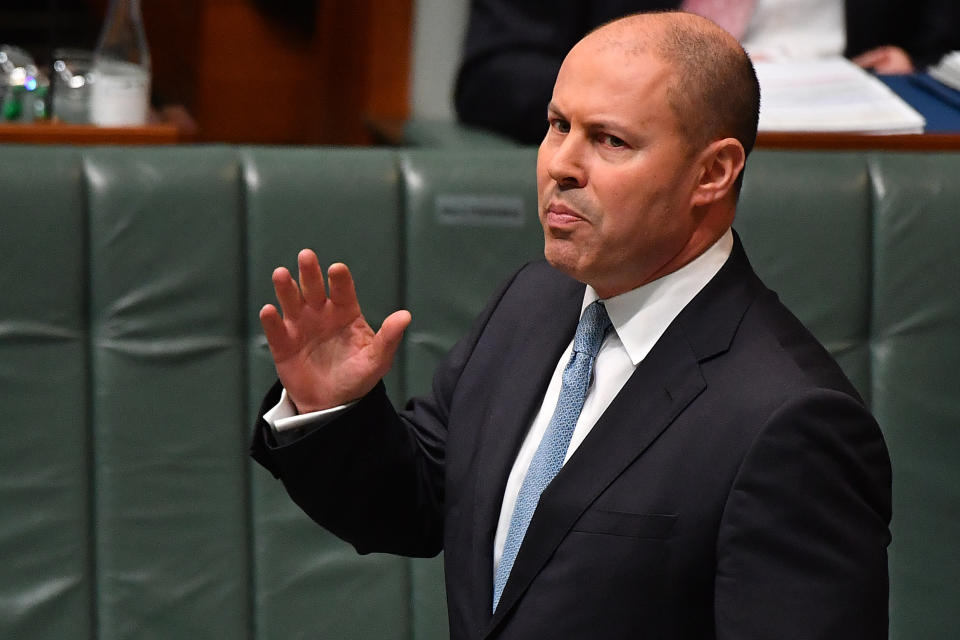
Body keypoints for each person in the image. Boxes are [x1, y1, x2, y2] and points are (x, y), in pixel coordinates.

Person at [252, 11, 891, 638]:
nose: (562, 164)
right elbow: (422, 501)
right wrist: (333, 408)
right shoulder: (534, 301)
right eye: (558, 125)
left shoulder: (794, 422)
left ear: (713, 172)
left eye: (610, 140)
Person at [455, 0, 960, 143]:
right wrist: (635, 100)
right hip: (656, 140)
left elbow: (939, 46)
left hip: (867, 143)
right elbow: (496, 73)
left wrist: (917, 70)